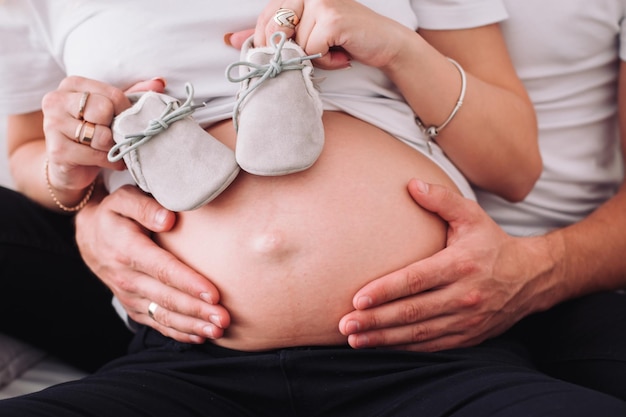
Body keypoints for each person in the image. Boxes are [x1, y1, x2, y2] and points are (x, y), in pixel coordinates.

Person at [2, 1, 624, 415]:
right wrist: (69, 176)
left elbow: (515, 168)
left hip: (430, 351)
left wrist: (400, 49)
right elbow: (26, 156)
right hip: (188, 359)